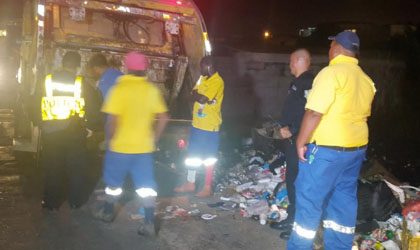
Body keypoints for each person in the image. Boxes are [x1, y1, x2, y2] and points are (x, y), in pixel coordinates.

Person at [287, 31, 376, 249]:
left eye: (330, 46)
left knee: (309, 201)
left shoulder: (331, 73)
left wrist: (301, 141)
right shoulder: (366, 79)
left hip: (327, 151)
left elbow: (314, 112)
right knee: (343, 200)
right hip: (356, 150)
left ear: (335, 48)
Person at [94, 51, 169, 236]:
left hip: (120, 147)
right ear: (145, 69)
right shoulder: (151, 91)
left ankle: (108, 213)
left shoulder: (118, 90)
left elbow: (113, 121)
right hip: (143, 149)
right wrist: (154, 139)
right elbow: (164, 118)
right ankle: (149, 221)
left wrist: (109, 141)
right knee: (146, 187)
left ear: (127, 68)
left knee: (113, 183)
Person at [40, 51, 99, 210]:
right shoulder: (81, 83)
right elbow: (94, 105)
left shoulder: (47, 81)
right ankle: (75, 201)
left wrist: (39, 123)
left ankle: (51, 202)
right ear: (78, 66)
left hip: (51, 131)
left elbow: (34, 101)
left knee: (53, 166)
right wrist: (90, 127)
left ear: (62, 63)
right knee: (76, 168)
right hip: (75, 131)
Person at [270, 49, 313, 240]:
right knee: (291, 181)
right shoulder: (297, 83)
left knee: (298, 183)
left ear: (298, 61)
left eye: (291, 61)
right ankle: (292, 218)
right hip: (291, 140)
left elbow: (310, 111)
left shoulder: (308, 82)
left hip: (300, 140)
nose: (289, 65)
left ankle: (298, 224)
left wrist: (293, 129)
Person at [174, 56, 224, 197]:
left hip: (210, 126)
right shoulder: (203, 79)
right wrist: (198, 95)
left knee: (209, 158)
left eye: (202, 66)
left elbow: (201, 98)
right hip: (197, 124)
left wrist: (198, 95)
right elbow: (192, 94)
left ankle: (207, 188)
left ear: (209, 66)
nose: (200, 69)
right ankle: (190, 183)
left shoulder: (218, 81)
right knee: (193, 155)